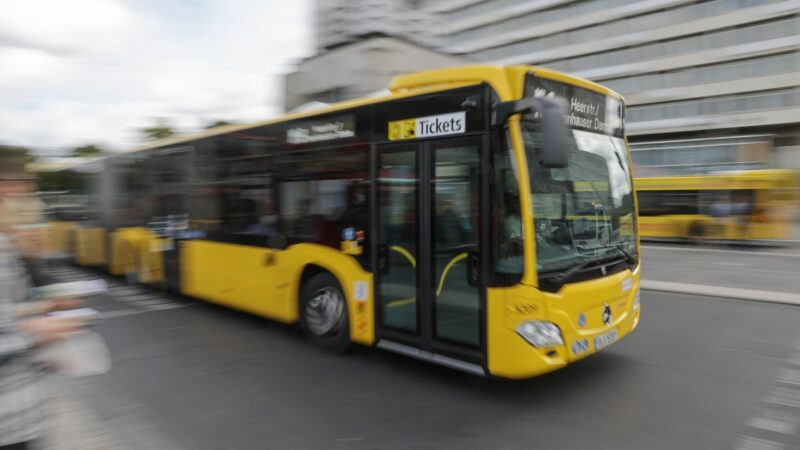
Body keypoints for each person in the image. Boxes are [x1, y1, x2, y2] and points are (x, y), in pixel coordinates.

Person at [1, 155, 85, 450]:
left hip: (23, 413)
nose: (22, 197)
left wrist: (48, 303)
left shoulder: (12, 244)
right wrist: (35, 333)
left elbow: (14, 302)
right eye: (13, 188)